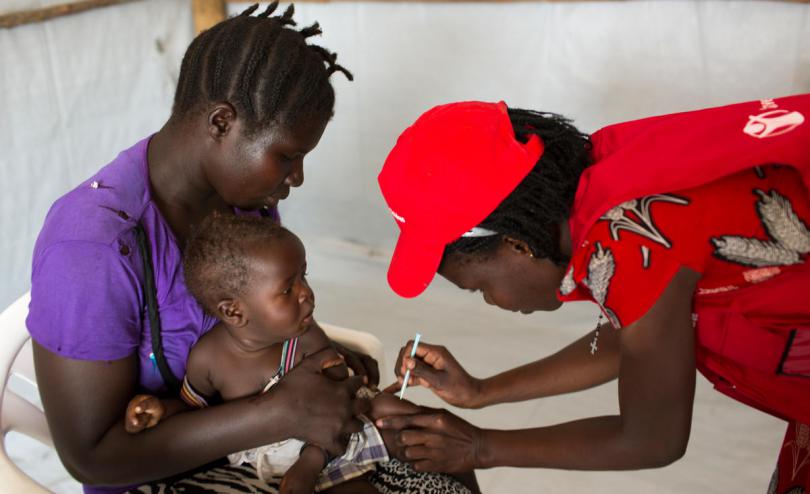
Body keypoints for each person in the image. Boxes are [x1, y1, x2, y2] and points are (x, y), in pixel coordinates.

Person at [374, 96, 810, 493]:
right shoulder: (604, 180)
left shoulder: (631, 239)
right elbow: (637, 339)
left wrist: (482, 448)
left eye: (480, 288)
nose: (492, 302)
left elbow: (652, 438)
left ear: (518, 244)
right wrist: (482, 391)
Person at [26, 4, 377, 493]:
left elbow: (252, 324)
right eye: (288, 157)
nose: (296, 178)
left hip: (257, 445)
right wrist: (279, 413)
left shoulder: (242, 203)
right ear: (220, 123)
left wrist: (316, 354)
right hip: (159, 478)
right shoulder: (92, 248)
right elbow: (94, 459)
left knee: (436, 465)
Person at [122, 213, 474, 494]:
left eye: (304, 277)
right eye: (288, 288)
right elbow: (193, 408)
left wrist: (310, 462)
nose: (306, 294)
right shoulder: (208, 359)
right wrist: (160, 410)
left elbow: (339, 409)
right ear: (234, 312)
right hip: (263, 454)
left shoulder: (304, 338)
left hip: (329, 441)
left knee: (414, 423)